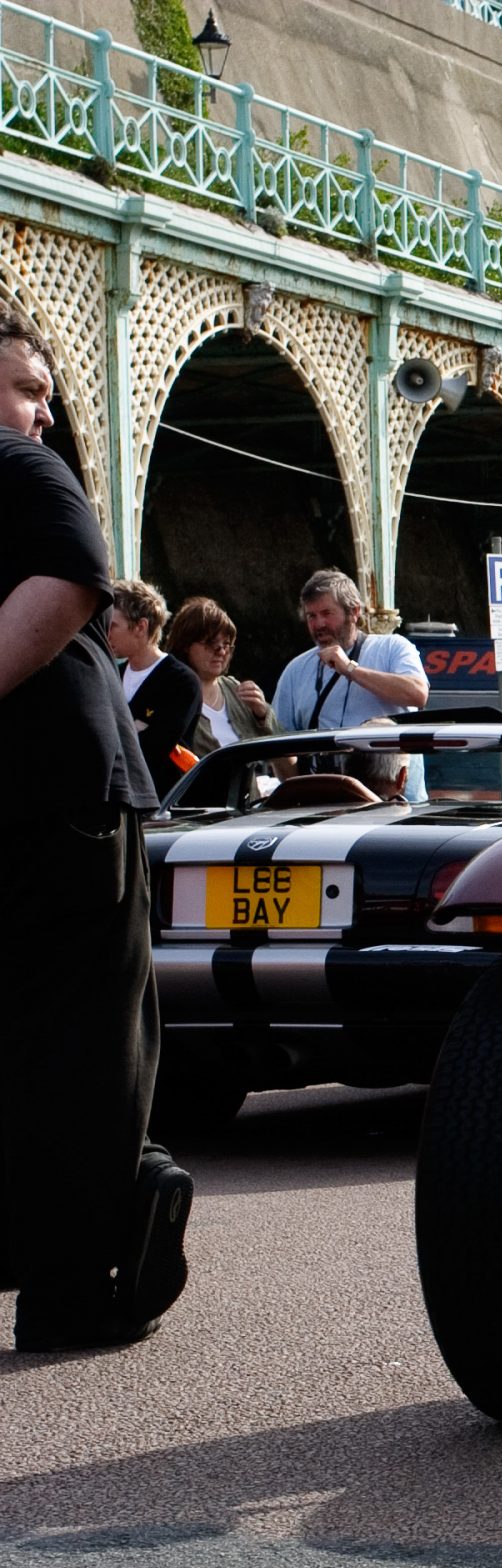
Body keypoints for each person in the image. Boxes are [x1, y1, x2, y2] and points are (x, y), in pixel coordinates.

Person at [0, 309, 189, 1352]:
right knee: (88, 1037)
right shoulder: (22, 468)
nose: (44, 413)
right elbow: (80, 574)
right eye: (28, 388)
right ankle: (69, 1290)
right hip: (63, 793)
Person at [271, 569, 430, 802]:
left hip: (396, 804)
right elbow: (280, 745)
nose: (319, 624)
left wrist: (350, 669)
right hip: (325, 806)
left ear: (354, 611)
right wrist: (262, 720)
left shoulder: (392, 648)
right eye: (311, 616)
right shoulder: (296, 671)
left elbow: (417, 694)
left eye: (327, 613)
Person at [104, 579, 201, 801]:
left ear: (141, 627)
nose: (106, 632)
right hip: (117, 799)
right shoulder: (111, 675)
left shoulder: (181, 682)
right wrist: (135, 727)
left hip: (162, 804)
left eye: (113, 625)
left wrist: (119, 732)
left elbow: (155, 747)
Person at [164, 595, 276, 758]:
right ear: (185, 645)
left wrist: (263, 715)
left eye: (227, 644)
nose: (222, 652)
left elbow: (286, 756)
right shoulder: (169, 694)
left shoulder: (237, 690)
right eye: (211, 643)